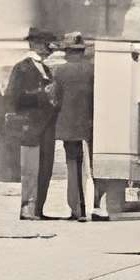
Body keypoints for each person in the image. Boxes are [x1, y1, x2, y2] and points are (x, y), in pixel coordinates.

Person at [5, 31, 62, 221]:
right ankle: (27, 207)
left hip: (46, 125)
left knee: (45, 168)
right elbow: (13, 98)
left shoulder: (45, 68)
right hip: (30, 126)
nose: (49, 50)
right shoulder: (22, 68)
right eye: (46, 45)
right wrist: (42, 95)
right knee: (30, 169)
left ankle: (38, 208)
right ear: (36, 45)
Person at [50, 33, 101, 223]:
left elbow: (55, 98)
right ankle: (98, 206)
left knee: (73, 167)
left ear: (68, 51)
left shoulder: (60, 71)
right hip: (93, 122)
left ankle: (77, 209)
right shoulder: (94, 70)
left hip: (69, 123)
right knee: (97, 167)